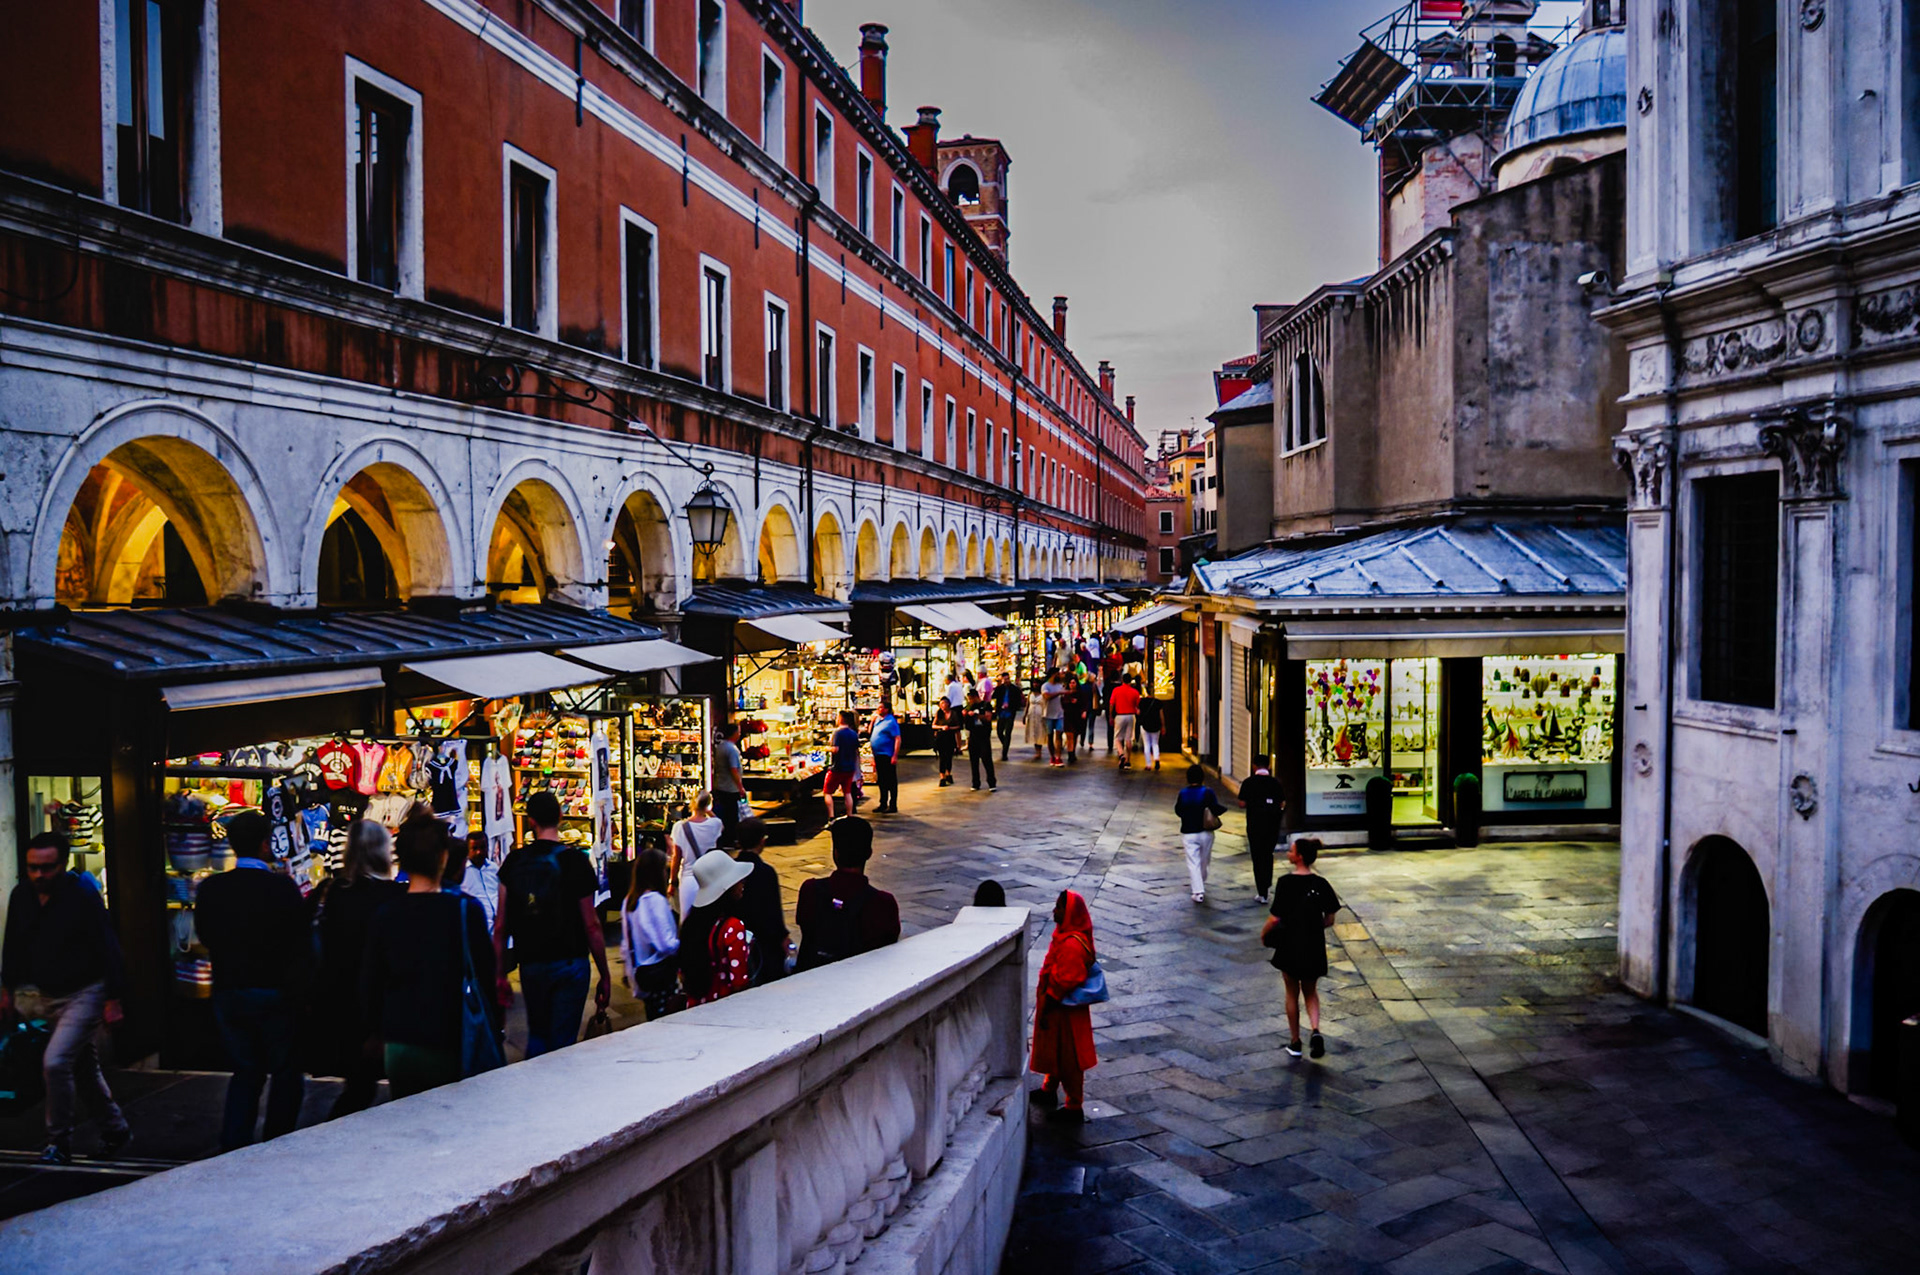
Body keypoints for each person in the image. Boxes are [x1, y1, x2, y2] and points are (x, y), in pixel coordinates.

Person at [1, 832, 129, 1164]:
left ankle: (58, 1141)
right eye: (32, 868)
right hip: (47, 994)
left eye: (47, 868)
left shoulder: (82, 896)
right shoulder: (22, 897)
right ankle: (115, 1129)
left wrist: (113, 999)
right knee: (83, 1067)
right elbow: (13, 947)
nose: (39, 875)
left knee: (56, 1062)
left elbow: (108, 947)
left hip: (85, 992)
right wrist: (7, 990)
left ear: (63, 865)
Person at [194, 810, 308, 1151]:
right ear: (264, 844)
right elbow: (298, 941)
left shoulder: (212, 889)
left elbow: (206, 934)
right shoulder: (281, 888)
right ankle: (276, 1141)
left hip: (230, 990)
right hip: (275, 991)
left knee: (246, 1070)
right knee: (286, 1072)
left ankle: (235, 1141)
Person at [361, 817, 498, 1097]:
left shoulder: (386, 914)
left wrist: (373, 1032)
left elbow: (371, 980)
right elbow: (485, 974)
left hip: (401, 1041)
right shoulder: (465, 910)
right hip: (451, 1036)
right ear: (442, 857)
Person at [493, 791, 610, 1058]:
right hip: (571, 961)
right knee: (563, 1042)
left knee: (538, 1035)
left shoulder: (514, 862)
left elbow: (500, 926)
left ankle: (536, 1088)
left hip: (532, 962)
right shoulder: (576, 861)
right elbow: (591, 924)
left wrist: (499, 974)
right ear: (559, 816)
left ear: (530, 821)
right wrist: (604, 972)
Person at [308, 820, 405, 1119]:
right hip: (380, 1006)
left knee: (358, 1084)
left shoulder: (333, 892)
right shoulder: (393, 897)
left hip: (341, 1002)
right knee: (373, 1089)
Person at [1262, 837, 1342, 1059]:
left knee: (1291, 992)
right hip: (1313, 944)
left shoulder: (1285, 883)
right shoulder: (1321, 883)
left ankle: (1295, 1041)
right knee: (1311, 991)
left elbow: (1275, 918)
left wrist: (1263, 933)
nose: (1288, 853)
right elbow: (1331, 917)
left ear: (1299, 857)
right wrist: (1316, 926)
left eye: (1291, 851)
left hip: (1290, 944)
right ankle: (1315, 1030)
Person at [794, 817, 901, 969]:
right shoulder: (884, 903)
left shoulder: (810, 890)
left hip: (813, 980)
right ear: (869, 853)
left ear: (835, 853)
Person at [1030, 890, 1099, 1124]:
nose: (1054, 911)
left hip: (1064, 1011)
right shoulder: (1064, 936)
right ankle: (1049, 1088)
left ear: (1068, 913)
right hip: (1059, 1009)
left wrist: (1049, 1001)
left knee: (1069, 1057)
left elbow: (1067, 978)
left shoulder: (1071, 944)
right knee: (1056, 1051)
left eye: (1059, 907)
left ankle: (1074, 1105)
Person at [676, 850, 756, 1008]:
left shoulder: (691, 925)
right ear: (726, 887)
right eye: (738, 880)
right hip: (724, 1010)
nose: (743, 882)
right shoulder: (732, 927)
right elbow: (739, 982)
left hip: (694, 1008)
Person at [619, 847, 680, 1020]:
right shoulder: (655, 901)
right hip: (660, 974)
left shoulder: (629, 901)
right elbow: (666, 943)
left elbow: (626, 942)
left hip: (641, 973)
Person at [730, 819, 790, 984]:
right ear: (762, 841)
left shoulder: (731, 869)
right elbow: (773, 911)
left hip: (738, 938)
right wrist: (783, 937)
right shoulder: (766, 872)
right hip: (765, 942)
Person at [1173, 765, 1228, 904]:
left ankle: (1198, 891)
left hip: (1189, 832)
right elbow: (1215, 808)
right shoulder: (1208, 792)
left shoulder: (1183, 793)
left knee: (1193, 862)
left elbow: (1178, 810)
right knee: (1205, 860)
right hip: (1206, 832)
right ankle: (1200, 884)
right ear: (1202, 777)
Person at [668, 792, 726, 919]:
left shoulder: (679, 827)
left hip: (689, 877)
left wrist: (672, 882)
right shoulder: (714, 824)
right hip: (708, 877)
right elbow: (721, 825)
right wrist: (708, 810)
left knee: (686, 919)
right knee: (708, 919)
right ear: (708, 805)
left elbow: (676, 857)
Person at [1239, 755, 1286, 905]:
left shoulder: (1248, 782)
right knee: (1268, 855)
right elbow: (1282, 802)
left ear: (1254, 766)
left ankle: (1262, 890)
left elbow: (1241, 803)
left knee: (1257, 857)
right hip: (1272, 825)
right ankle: (1266, 885)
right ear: (1269, 766)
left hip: (1254, 825)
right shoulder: (1275, 783)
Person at [823, 710, 863, 819]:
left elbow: (835, 749)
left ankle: (831, 816)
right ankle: (849, 815)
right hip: (850, 768)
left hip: (837, 767)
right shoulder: (854, 733)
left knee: (827, 792)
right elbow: (856, 749)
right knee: (847, 792)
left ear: (840, 719)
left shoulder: (837, 733)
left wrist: (826, 748)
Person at [711, 721, 746, 840]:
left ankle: (726, 837)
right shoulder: (732, 749)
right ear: (734, 733)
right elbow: (733, 769)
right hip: (730, 787)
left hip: (720, 784)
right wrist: (740, 787)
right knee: (732, 814)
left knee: (725, 813)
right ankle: (731, 838)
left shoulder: (720, 747)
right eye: (739, 732)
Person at [461, 831, 499, 933]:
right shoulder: (462, 872)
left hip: (498, 928)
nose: (479, 852)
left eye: (482, 847)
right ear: (467, 850)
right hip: (477, 930)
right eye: (474, 848)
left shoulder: (494, 868)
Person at [869, 699, 902, 814]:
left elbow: (897, 738)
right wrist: (872, 721)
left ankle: (893, 804)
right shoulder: (878, 720)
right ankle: (883, 803)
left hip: (887, 754)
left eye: (881, 708)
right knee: (881, 780)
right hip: (878, 754)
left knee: (890, 780)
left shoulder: (891, 722)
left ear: (887, 709)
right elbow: (870, 732)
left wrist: (895, 755)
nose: (878, 710)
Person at [964, 689, 998, 792]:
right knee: (973, 761)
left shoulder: (986, 705)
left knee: (986, 759)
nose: (970, 701)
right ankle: (975, 782)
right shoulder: (969, 706)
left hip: (983, 736)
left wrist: (976, 715)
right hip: (973, 735)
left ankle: (991, 782)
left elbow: (988, 718)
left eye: (971, 699)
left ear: (975, 697)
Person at [1110, 675, 1142, 770]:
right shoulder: (1135, 692)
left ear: (1122, 680)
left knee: (1117, 738)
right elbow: (1137, 706)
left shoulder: (1116, 690)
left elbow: (1112, 704)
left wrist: (1110, 715)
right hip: (1131, 716)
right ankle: (1128, 761)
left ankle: (1121, 754)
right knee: (1129, 739)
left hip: (1120, 715)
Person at [1061, 671, 1091, 765]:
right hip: (1068, 716)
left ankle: (1072, 751)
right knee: (1069, 735)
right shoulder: (1065, 693)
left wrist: (1084, 711)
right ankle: (1070, 754)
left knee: (1075, 735)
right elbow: (1062, 703)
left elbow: (1084, 703)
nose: (1071, 685)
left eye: (1073, 683)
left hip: (1077, 717)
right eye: (1070, 683)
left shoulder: (1080, 693)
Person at [991, 676, 1023, 761]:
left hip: (1010, 713)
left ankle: (1004, 753)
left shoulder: (1014, 689)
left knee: (1008, 732)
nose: (1006, 681)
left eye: (1007, 679)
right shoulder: (999, 689)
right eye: (1005, 679)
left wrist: (1013, 707)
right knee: (999, 731)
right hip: (1001, 713)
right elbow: (993, 697)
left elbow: (1018, 701)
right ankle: (1005, 743)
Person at [1040, 669, 1068, 766]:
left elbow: (1064, 698)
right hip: (1048, 714)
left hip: (1059, 714)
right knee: (1050, 736)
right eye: (1058, 674)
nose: (1060, 675)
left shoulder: (1060, 686)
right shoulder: (1045, 686)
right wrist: (1059, 693)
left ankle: (1058, 757)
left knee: (1059, 735)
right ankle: (1052, 755)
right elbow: (1046, 696)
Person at [931, 699, 959, 788]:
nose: (943, 705)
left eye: (944, 703)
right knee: (942, 757)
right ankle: (942, 777)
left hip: (950, 737)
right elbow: (933, 725)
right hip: (941, 737)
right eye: (941, 704)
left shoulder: (953, 714)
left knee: (949, 757)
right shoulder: (939, 713)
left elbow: (958, 726)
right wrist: (942, 727)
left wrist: (950, 728)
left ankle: (948, 774)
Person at [1024, 675, 1051, 760]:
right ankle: (1036, 750)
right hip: (1031, 714)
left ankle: (1039, 751)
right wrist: (1025, 715)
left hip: (1040, 715)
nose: (1035, 685)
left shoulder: (1042, 694)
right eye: (1034, 683)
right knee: (1033, 732)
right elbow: (1027, 705)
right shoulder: (1030, 694)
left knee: (1040, 732)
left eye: (1036, 683)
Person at [1136, 690, 1165, 772]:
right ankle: (1156, 758)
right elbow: (1161, 715)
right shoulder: (1158, 702)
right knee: (1155, 743)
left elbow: (1138, 712)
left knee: (1147, 744)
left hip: (1145, 725)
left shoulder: (1142, 702)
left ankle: (1148, 764)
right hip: (1156, 725)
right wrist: (1163, 726)